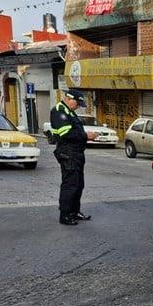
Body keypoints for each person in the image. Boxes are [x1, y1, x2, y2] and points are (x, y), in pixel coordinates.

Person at [51, 90, 96, 225]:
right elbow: (66, 133)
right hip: (68, 153)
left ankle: (74, 211)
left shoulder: (70, 112)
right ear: (69, 99)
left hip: (76, 153)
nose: (77, 106)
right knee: (70, 185)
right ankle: (65, 215)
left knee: (78, 184)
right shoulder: (59, 111)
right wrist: (86, 136)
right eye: (77, 103)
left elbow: (76, 131)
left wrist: (85, 136)